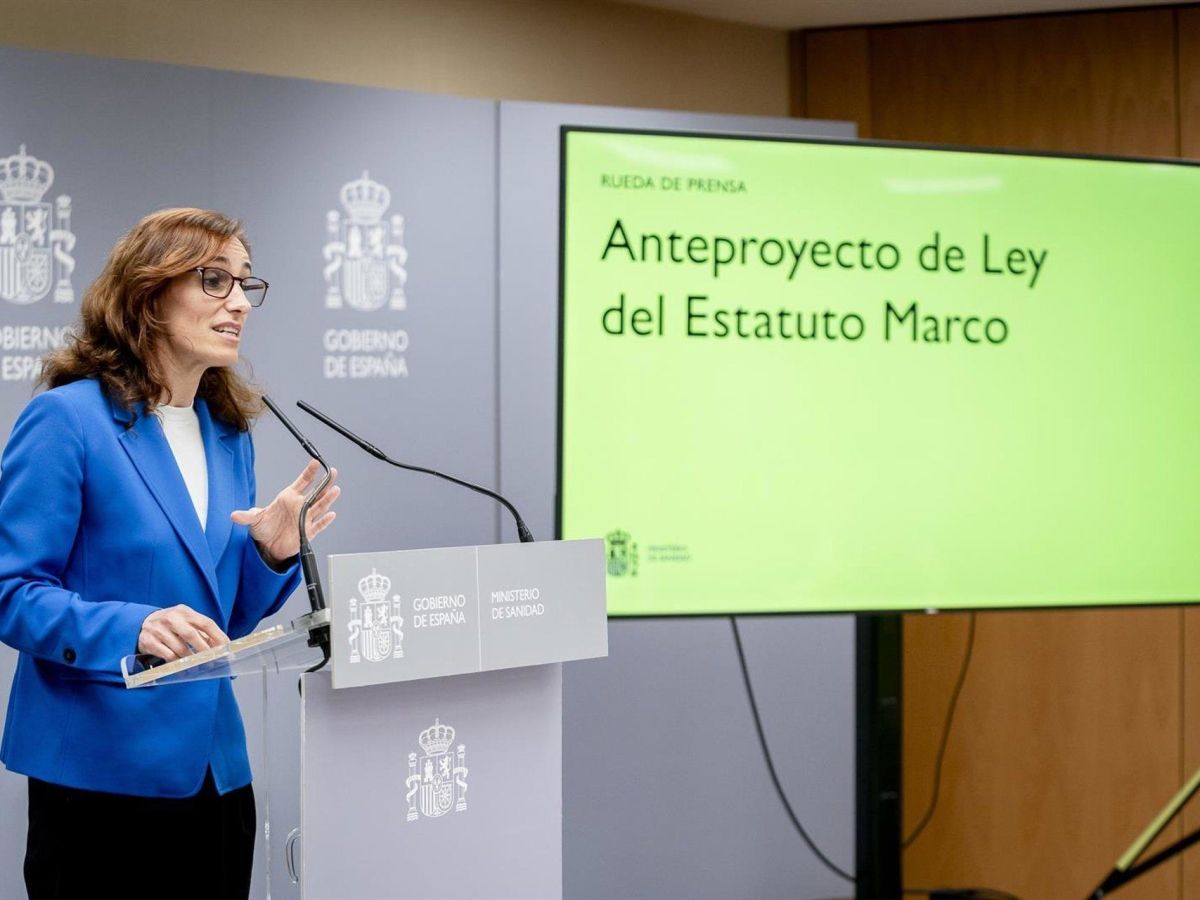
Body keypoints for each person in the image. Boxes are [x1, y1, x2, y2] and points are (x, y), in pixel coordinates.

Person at [0, 208, 340, 899]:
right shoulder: (68, 421)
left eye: (245, 283)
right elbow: (12, 590)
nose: (239, 303)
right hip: (100, 781)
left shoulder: (228, 434)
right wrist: (132, 627)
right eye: (215, 280)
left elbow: (219, 625)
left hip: (217, 778)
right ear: (149, 294)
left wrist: (269, 556)